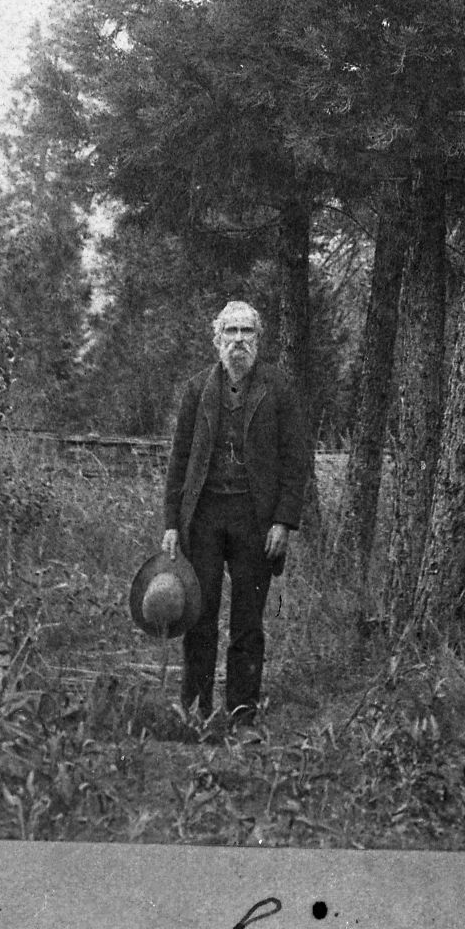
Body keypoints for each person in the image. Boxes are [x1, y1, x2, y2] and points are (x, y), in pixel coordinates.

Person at [161, 298, 311, 730]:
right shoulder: (196, 390)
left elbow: (294, 459)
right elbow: (179, 459)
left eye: (247, 332)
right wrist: (172, 523)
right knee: (199, 615)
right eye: (231, 332)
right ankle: (195, 712)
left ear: (259, 341)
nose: (239, 341)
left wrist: (283, 520)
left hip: (255, 521)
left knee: (248, 620)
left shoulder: (278, 389)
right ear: (217, 341)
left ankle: (243, 715)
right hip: (204, 518)